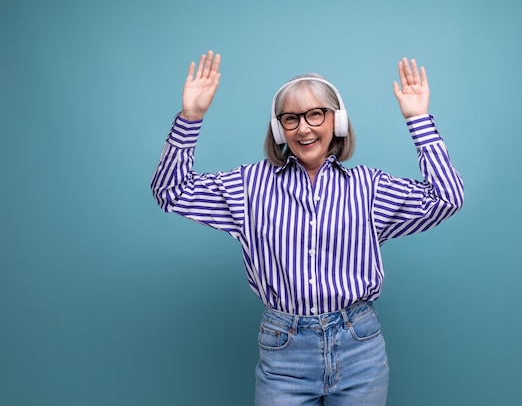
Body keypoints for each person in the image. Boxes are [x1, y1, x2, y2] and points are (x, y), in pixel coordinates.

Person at [151, 50, 464, 406]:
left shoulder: (369, 188)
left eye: (316, 114)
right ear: (278, 129)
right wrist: (190, 117)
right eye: (290, 118)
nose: (303, 127)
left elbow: (447, 197)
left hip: (359, 349)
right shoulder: (248, 187)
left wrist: (419, 120)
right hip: (284, 351)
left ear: (338, 122)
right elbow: (171, 191)